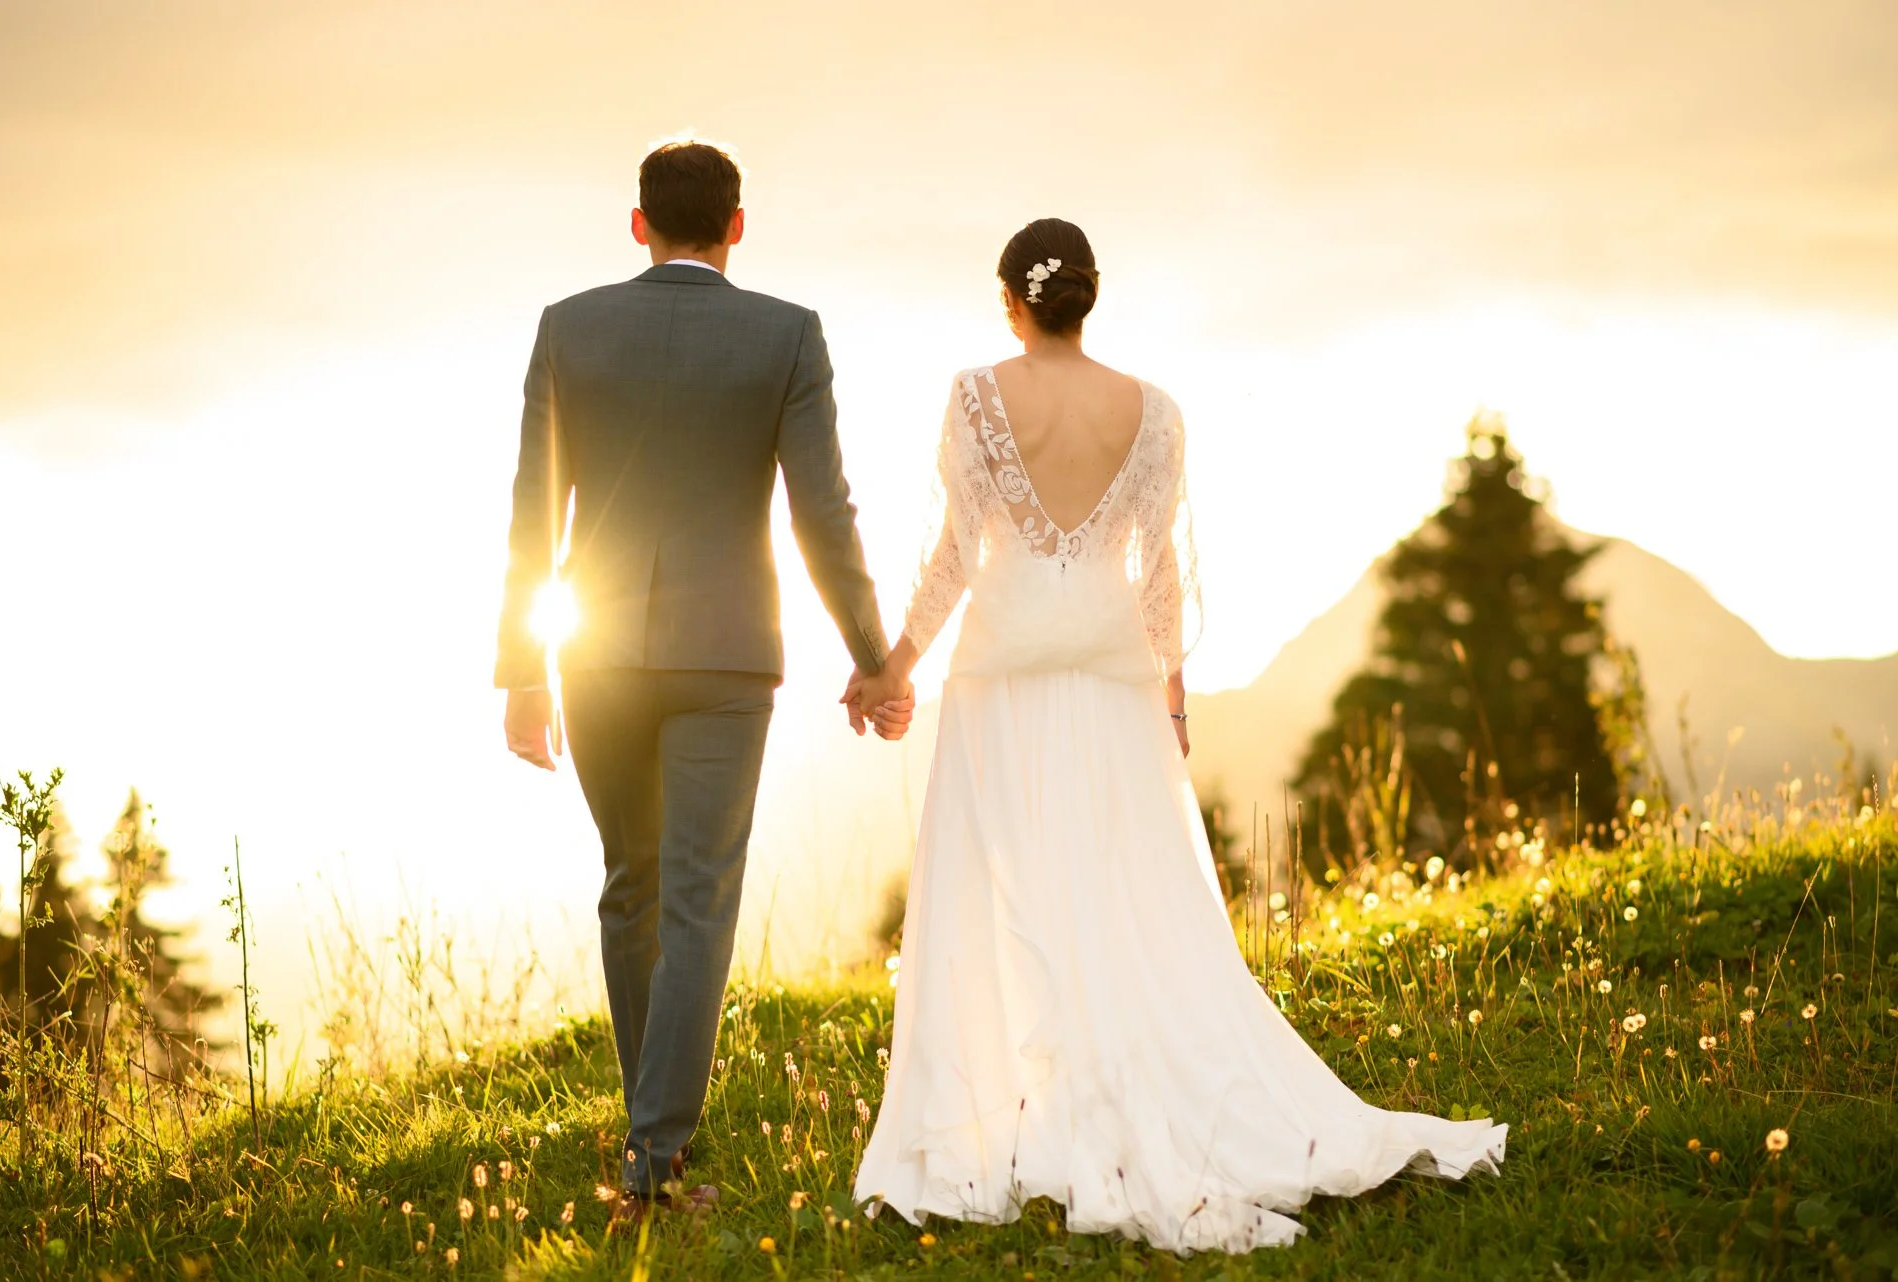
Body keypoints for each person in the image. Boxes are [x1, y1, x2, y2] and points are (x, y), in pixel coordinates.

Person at [849, 218, 1505, 1253]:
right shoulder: (1153, 412)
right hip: (1114, 680)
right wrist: (1173, 700)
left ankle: (1010, 1112)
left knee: (1000, 892)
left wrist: (895, 667)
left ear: (1011, 302)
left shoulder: (976, 395)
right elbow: (1156, 573)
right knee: (1120, 891)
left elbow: (953, 559)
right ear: (1089, 296)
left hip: (1001, 678)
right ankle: (1109, 1094)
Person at [493, 139, 914, 1220]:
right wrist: (873, 655)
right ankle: (655, 1157)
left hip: (594, 653)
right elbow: (823, 515)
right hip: (725, 656)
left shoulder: (568, 327)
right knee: (695, 897)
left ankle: (650, 1140)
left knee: (630, 884)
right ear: (737, 227)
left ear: (638, 224)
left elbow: (534, 510)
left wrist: (523, 673)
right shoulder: (786, 334)